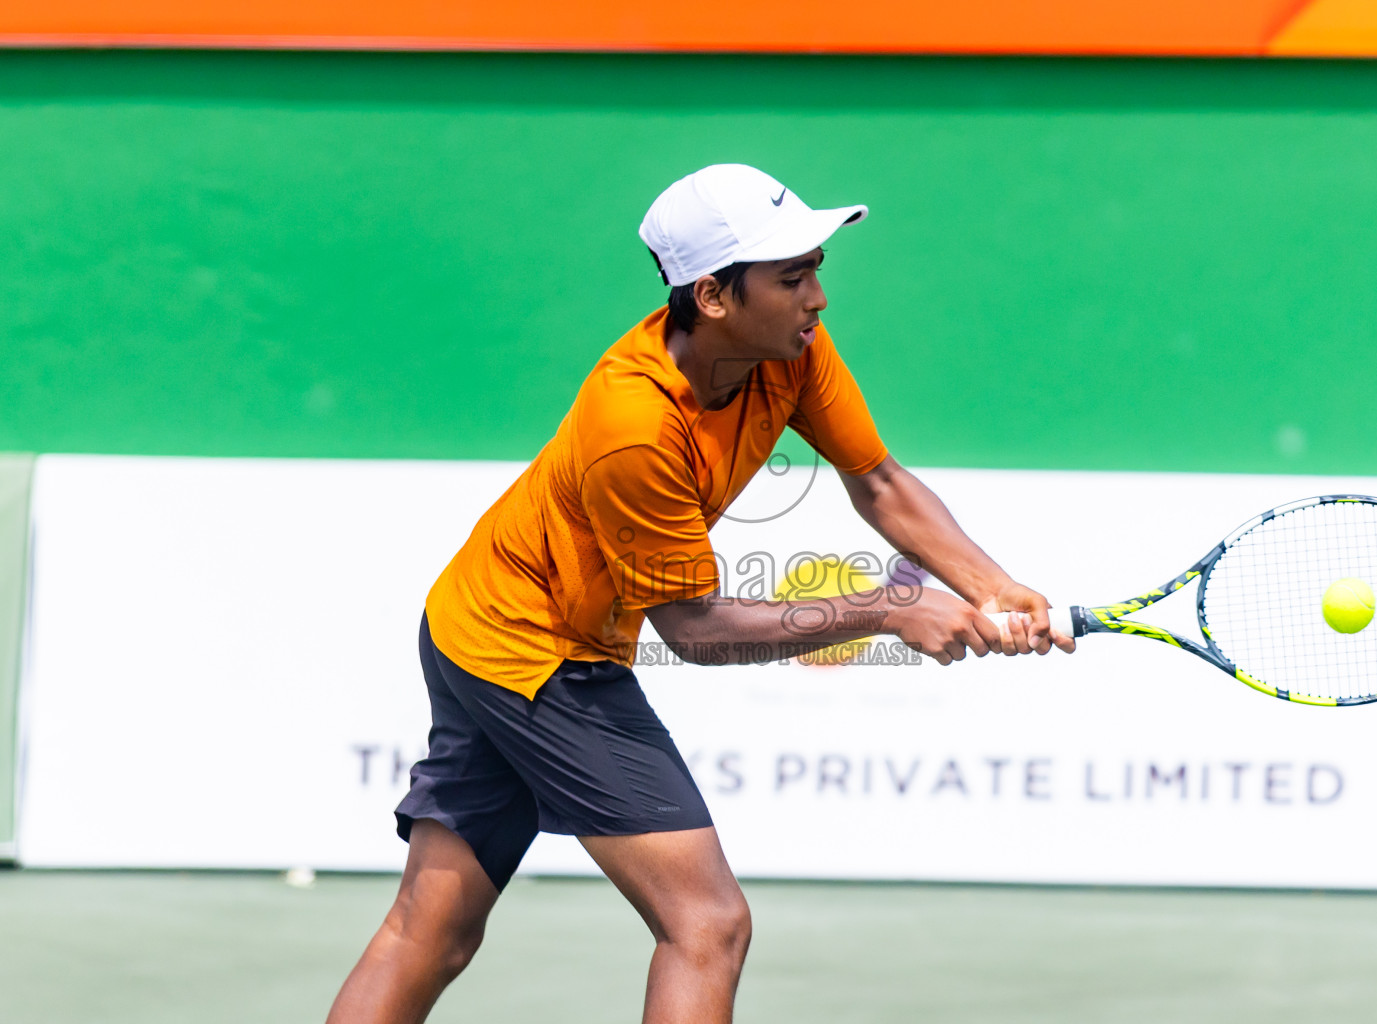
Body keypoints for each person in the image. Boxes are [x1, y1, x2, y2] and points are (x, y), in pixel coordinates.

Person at [326, 163, 1074, 1024]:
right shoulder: (634, 425)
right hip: (534, 653)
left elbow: (878, 481)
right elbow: (693, 628)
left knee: (435, 926)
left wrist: (994, 588)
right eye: (793, 278)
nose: (818, 298)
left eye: (817, 269)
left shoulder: (787, 351)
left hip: (470, 622)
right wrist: (890, 609)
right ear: (714, 295)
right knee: (707, 924)